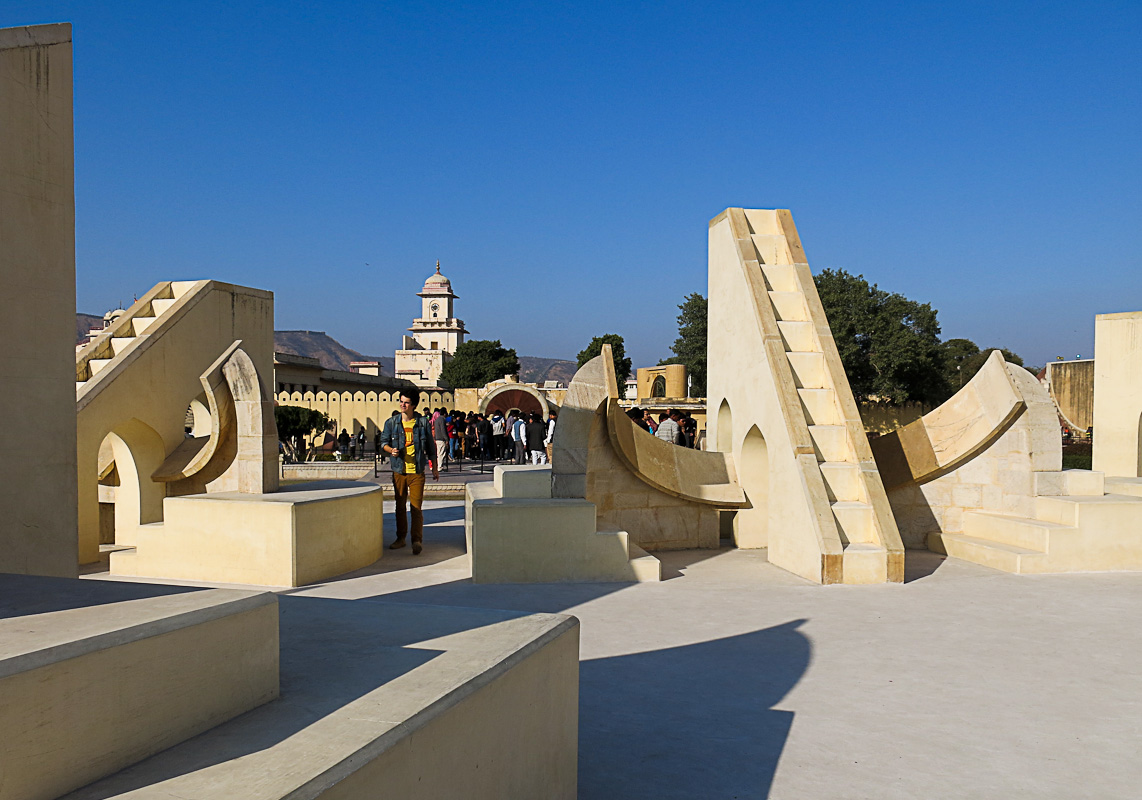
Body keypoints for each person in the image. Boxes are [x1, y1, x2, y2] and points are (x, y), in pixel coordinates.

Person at [379, 388, 439, 555]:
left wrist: (434, 467)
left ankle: (416, 540)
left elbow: (430, 447)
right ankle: (400, 538)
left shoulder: (422, 423)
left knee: (416, 507)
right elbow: (383, 442)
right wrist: (391, 450)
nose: (402, 404)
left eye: (406, 402)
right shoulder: (392, 422)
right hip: (399, 470)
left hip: (417, 471)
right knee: (399, 506)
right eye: (401, 401)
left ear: (413, 405)